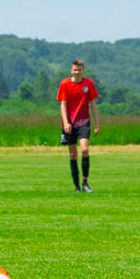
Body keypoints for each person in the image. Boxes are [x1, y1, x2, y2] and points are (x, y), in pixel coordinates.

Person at [57, 60, 100, 193]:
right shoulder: (65, 84)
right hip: (69, 123)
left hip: (84, 122)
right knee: (72, 154)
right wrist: (66, 122)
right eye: (75, 70)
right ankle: (76, 186)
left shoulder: (88, 83)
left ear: (83, 71)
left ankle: (85, 183)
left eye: (79, 70)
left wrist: (97, 123)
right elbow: (62, 104)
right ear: (71, 70)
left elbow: (93, 104)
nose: (77, 72)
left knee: (84, 150)